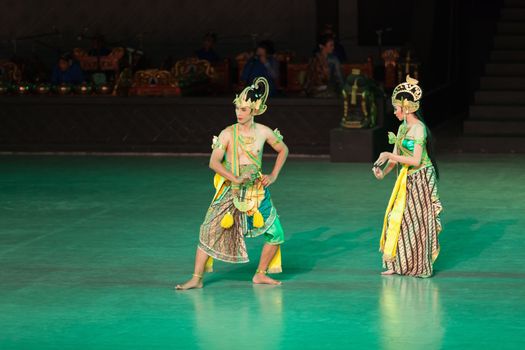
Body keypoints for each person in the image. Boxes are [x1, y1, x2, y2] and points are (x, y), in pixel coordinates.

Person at [176, 77, 289, 290]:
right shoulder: (228, 133)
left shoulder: (264, 132)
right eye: (238, 107)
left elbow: (283, 149)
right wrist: (235, 178)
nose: (239, 112)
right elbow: (213, 162)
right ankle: (196, 278)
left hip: (256, 192)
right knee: (209, 231)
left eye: (244, 109)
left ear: (255, 110)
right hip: (232, 190)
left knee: (276, 233)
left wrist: (273, 175)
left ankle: (260, 274)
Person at [372, 75, 442, 278]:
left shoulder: (419, 129)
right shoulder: (403, 127)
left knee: (416, 223)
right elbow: (397, 158)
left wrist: (387, 155)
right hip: (406, 178)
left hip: (421, 179)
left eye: (397, 108)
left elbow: (416, 160)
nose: (394, 112)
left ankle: (418, 266)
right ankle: (396, 262)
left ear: (408, 107)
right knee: (396, 218)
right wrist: (383, 172)